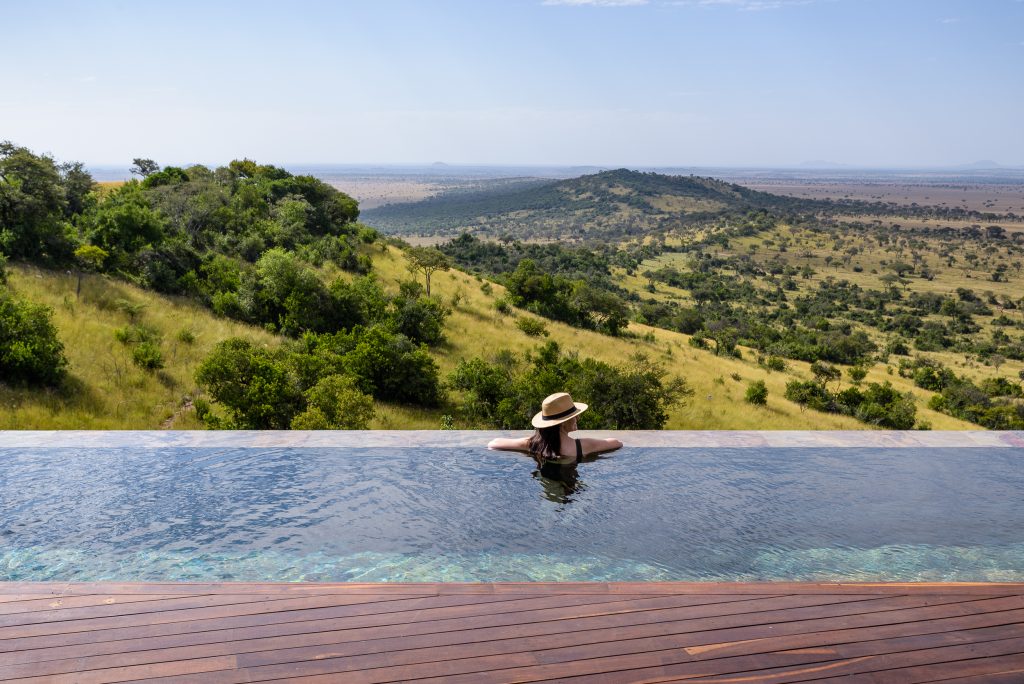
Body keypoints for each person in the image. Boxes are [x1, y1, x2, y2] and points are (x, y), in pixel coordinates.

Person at [487, 392, 623, 479]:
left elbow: (493, 444)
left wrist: (527, 442)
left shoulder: (532, 444)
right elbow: (617, 443)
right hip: (571, 490)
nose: (578, 419)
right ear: (563, 423)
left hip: (547, 487)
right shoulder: (582, 446)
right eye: (574, 417)